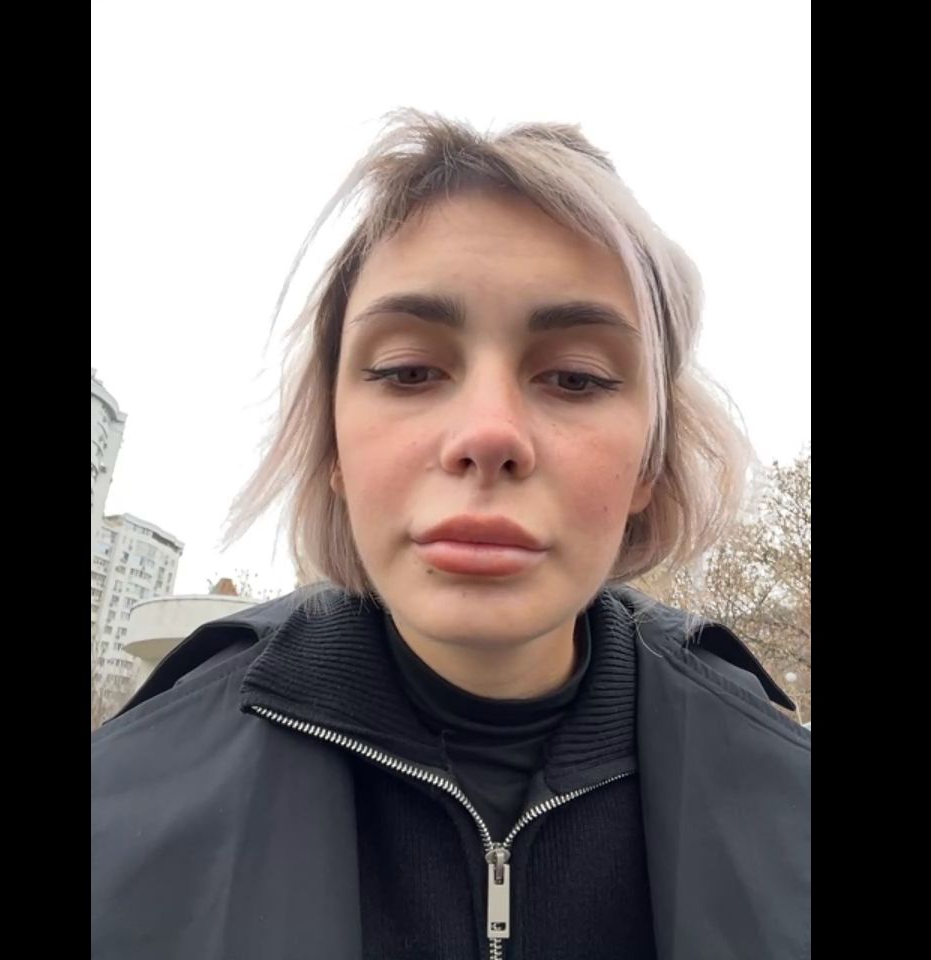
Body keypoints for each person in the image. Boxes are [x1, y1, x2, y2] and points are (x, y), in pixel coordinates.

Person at [91, 110, 810, 960]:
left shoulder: (786, 798)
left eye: (576, 377)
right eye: (408, 371)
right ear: (333, 447)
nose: (487, 434)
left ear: (650, 460)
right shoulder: (118, 812)